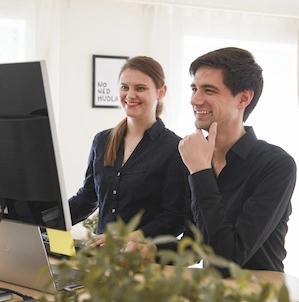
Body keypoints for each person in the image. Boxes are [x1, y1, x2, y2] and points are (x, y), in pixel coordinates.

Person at [126, 47, 297, 275]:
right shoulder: (195, 155)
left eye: (209, 90)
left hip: (258, 292)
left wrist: (200, 172)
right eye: (195, 88)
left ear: (244, 98)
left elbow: (228, 259)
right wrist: (150, 251)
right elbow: (195, 246)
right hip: (212, 291)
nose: (195, 99)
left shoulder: (276, 165)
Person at [69, 56, 189, 243]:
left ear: (161, 92)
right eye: (124, 87)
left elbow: (173, 219)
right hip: (100, 257)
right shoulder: (102, 141)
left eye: (140, 88)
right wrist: (43, 220)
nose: (130, 95)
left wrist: (124, 240)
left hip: (142, 262)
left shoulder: (175, 149)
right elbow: (87, 197)